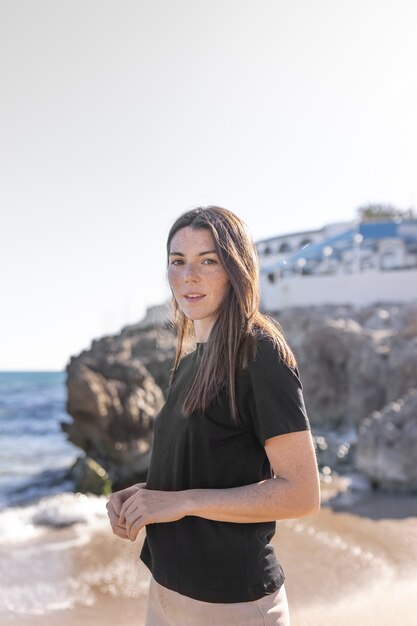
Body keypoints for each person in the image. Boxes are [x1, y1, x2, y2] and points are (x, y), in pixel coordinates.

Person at [106, 206, 320, 625]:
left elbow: (302, 493)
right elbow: (208, 467)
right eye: (177, 262)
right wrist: (144, 497)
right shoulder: (189, 363)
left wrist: (181, 502)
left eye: (209, 261)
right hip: (164, 592)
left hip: (233, 605)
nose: (189, 277)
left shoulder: (260, 353)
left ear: (236, 268)